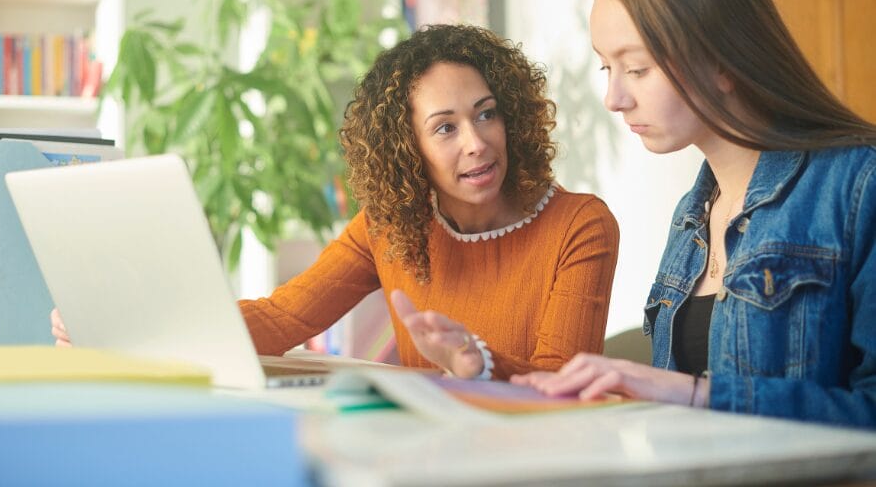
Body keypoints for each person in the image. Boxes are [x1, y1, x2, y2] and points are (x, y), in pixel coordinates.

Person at [52, 24, 620, 381]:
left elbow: (561, 384)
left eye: (486, 113)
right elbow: (282, 319)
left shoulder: (578, 225)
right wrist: (134, 326)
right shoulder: (390, 226)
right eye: (444, 128)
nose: (476, 142)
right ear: (408, 148)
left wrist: (479, 364)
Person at [512, 0, 876, 428]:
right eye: (606, 69)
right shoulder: (692, 217)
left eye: (636, 68)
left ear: (723, 60)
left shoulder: (859, 185)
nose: (615, 99)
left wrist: (697, 395)